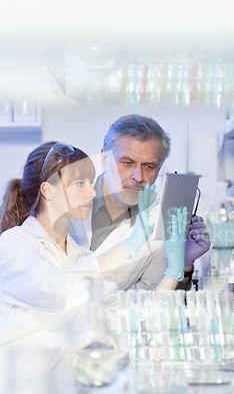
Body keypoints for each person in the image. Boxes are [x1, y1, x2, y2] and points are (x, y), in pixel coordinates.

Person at [0, 141, 187, 352]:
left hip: (63, 383)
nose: (92, 192)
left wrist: (174, 272)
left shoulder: (81, 257)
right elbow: (56, 290)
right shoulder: (13, 244)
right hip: (17, 382)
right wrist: (131, 243)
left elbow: (129, 320)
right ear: (48, 190)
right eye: (80, 183)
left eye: (90, 182)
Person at [69, 114, 210, 291]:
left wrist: (185, 264)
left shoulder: (159, 221)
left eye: (149, 166)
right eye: (127, 162)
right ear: (105, 159)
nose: (138, 176)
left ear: (160, 168)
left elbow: (155, 301)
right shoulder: (67, 202)